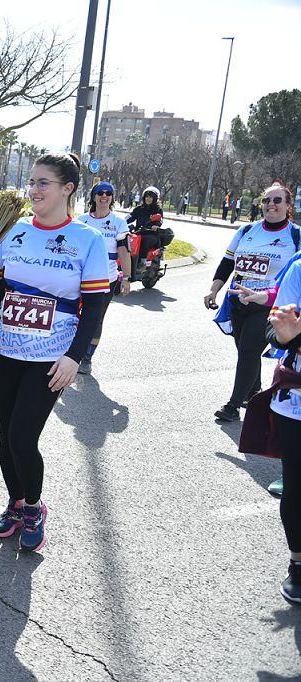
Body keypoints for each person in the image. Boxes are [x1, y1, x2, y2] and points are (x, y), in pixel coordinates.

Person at [0, 153, 109, 552]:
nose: (34, 190)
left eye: (43, 183)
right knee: (6, 437)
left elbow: (95, 305)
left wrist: (74, 356)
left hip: (51, 357)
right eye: (33, 182)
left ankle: (35, 507)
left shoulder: (86, 240)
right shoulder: (15, 232)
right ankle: (16, 503)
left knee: (24, 437)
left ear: (67, 189)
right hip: (5, 350)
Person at [205, 183, 300, 422]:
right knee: (245, 350)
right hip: (238, 301)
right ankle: (253, 391)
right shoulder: (247, 230)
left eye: (277, 200)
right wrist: (214, 290)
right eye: (267, 200)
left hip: (268, 305)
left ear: (288, 206)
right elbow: (227, 263)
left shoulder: (295, 235)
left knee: (248, 351)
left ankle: (233, 405)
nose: (271, 205)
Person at [265, 256, 301, 604]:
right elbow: (272, 328)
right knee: (298, 484)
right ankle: (298, 564)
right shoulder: (300, 268)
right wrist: (288, 335)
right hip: (297, 402)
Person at [76, 181, 131, 374]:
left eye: (108, 193)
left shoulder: (118, 222)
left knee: (96, 319)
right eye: (100, 193)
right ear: (94, 197)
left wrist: (126, 278)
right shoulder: (82, 220)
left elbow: (124, 251)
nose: (104, 196)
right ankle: (69, 351)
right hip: (78, 279)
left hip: (105, 280)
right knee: (72, 315)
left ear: (112, 198)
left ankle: (87, 357)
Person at [126, 186, 169, 272]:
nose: (148, 199)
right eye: (146, 196)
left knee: (144, 240)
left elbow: (160, 219)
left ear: (155, 198)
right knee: (125, 240)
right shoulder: (139, 209)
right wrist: (121, 222)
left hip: (151, 234)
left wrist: (156, 225)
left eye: (150, 197)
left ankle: (143, 263)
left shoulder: (157, 209)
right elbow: (130, 217)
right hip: (138, 232)